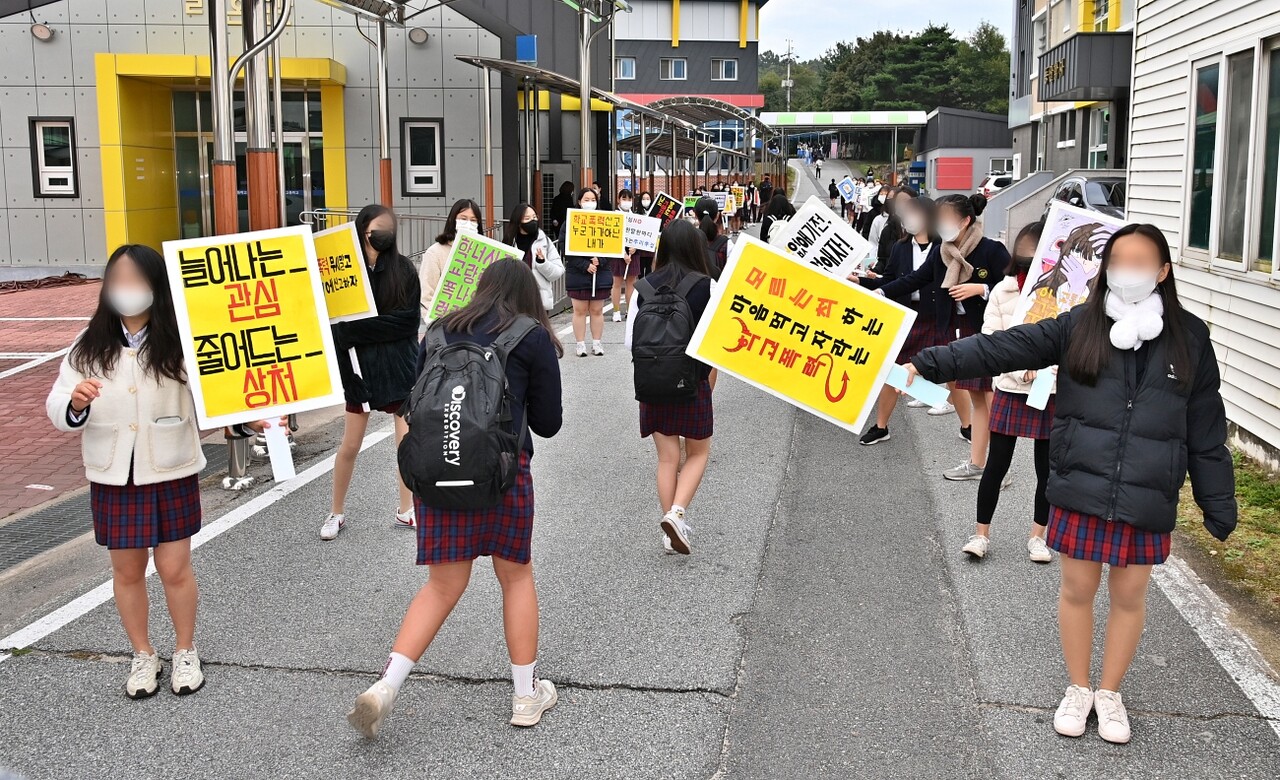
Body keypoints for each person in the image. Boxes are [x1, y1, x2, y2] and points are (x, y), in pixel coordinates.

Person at [905, 223, 1236, 745]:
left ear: (1164, 271)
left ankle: (1110, 692)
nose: (1128, 271)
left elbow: (1207, 428)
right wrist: (928, 360)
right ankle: (1078, 687)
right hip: (1082, 481)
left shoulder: (1190, 337)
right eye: (1118, 261)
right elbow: (1001, 350)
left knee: (1130, 597)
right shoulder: (1077, 325)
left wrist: (1217, 502)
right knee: (1077, 590)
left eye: (1141, 261)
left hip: (1147, 489)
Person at [347, 259, 565, 739]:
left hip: (439, 473)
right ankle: (526, 696)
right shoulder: (531, 335)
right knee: (516, 577)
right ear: (527, 295)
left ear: (481, 288)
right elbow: (549, 423)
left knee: (441, 587)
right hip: (503, 476)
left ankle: (386, 686)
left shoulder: (442, 330)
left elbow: (417, 399)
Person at [46, 244, 267, 698]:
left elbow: (218, 393)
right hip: (114, 473)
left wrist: (251, 416)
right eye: (117, 282)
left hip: (169, 467)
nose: (126, 290)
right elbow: (57, 402)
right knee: (126, 571)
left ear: (157, 287)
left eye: (136, 282)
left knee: (175, 567)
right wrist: (75, 402)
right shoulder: (88, 346)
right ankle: (143, 654)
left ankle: (185, 650)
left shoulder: (182, 340)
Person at [873, 193, 1009, 466]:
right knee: (974, 394)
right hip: (953, 326)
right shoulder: (941, 251)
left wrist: (981, 288)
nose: (942, 224)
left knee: (989, 395)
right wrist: (879, 291)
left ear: (966, 220)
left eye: (947, 218)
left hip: (985, 328)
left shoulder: (991, 250)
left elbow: (1015, 287)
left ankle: (997, 458)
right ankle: (980, 461)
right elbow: (915, 279)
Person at [953, 221, 1058, 563]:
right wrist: (1020, 368)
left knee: (1047, 468)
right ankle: (980, 534)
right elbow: (992, 341)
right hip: (1011, 388)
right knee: (996, 464)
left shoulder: (1067, 294)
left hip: (1050, 389)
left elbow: (1073, 344)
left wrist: (1045, 369)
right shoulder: (1003, 290)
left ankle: (1038, 537)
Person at [324, 205, 422, 540]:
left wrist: (357, 329)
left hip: (401, 369)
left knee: (405, 444)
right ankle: (336, 512)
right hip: (359, 371)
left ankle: (406, 510)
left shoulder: (404, 270)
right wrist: (347, 368)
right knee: (349, 444)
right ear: (362, 229)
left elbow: (407, 322)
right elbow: (336, 330)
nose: (383, 234)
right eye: (377, 228)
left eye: (388, 228)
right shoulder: (343, 273)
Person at [625, 220, 715, 555]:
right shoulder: (706, 286)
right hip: (692, 382)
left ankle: (668, 532)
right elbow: (715, 343)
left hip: (652, 383)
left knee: (667, 459)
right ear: (695, 248)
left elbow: (629, 342)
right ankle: (677, 513)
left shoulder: (643, 287)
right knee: (699, 453)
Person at [857, 196, 943, 445]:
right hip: (906, 315)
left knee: (952, 373)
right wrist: (862, 282)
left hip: (936, 315)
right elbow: (890, 281)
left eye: (913, 213)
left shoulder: (943, 247)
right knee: (892, 370)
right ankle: (881, 426)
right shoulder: (900, 247)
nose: (907, 219)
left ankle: (968, 425)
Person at [557, 187, 612, 356]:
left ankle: (597, 343)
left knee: (597, 310)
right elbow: (564, 246)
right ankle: (580, 344)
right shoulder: (570, 221)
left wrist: (600, 260)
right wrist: (584, 265)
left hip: (600, 273)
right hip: (578, 273)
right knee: (579, 311)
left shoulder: (606, 220)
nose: (590, 203)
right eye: (586, 200)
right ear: (579, 202)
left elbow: (612, 246)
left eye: (593, 200)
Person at [419, 199, 483, 315]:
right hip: (445, 323)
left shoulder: (483, 253)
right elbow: (426, 295)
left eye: (473, 220)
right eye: (463, 219)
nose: (468, 223)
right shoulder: (435, 252)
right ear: (453, 219)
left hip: (477, 322)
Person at [503, 202, 564, 313]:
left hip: (538, 303)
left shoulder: (544, 241)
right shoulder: (508, 242)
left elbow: (558, 271)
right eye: (527, 218)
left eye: (535, 217)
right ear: (518, 221)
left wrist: (542, 263)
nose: (533, 221)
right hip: (513, 304)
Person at [611, 189, 642, 322]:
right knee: (616, 283)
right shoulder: (613, 216)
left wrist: (636, 247)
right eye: (624, 199)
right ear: (618, 200)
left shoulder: (636, 217)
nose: (627, 202)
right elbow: (611, 236)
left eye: (629, 199)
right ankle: (616, 311)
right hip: (618, 254)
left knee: (631, 283)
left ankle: (630, 310)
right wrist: (622, 253)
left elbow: (641, 235)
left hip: (633, 254)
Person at [693, 196, 730, 276]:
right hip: (718, 286)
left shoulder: (687, 239)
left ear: (695, 215)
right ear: (717, 215)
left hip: (693, 286)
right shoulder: (727, 244)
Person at [635, 191, 656, 277]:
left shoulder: (654, 213)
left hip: (650, 243)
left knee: (648, 266)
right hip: (640, 244)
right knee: (640, 265)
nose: (645, 200)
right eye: (643, 199)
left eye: (647, 199)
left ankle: (648, 284)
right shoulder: (637, 213)